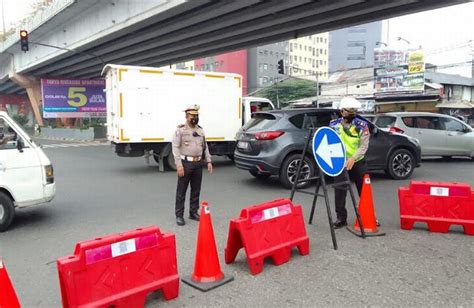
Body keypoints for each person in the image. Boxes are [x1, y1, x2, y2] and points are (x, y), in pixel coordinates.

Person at [329, 97, 370, 229]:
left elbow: (363, 146)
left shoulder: (362, 125)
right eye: (348, 112)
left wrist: (353, 158)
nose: (351, 114)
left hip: (357, 161)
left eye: (353, 112)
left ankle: (369, 216)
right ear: (341, 111)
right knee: (340, 191)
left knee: (364, 190)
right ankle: (341, 218)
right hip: (341, 163)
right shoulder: (333, 124)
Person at [172, 104, 213, 226]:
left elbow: (205, 147)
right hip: (185, 164)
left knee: (196, 189)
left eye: (196, 115)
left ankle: (193, 212)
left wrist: (209, 161)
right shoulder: (180, 130)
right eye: (192, 116)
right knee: (181, 191)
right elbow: (175, 147)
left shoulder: (200, 130)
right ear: (186, 116)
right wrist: (179, 165)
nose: (194, 118)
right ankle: (179, 215)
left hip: (198, 163)